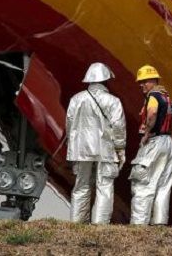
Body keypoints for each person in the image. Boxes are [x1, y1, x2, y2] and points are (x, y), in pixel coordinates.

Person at [65, 62, 126, 224]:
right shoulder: (113, 101)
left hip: (81, 149)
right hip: (106, 149)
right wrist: (120, 148)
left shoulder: (76, 99)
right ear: (105, 80)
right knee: (104, 186)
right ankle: (99, 225)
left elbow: (69, 124)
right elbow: (119, 127)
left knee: (81, 186)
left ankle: (76, 223)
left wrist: (72, 146)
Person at [129, 64, 172, 225]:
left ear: (153, 80)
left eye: (145, 81)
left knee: (143, 183)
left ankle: (139, 224)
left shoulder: (153, 96)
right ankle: (160, 223)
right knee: (163, 186)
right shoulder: (167, 98)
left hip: (154, 142)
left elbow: (152, 112)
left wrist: (147, 133)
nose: (141, 85)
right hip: (168, 144)